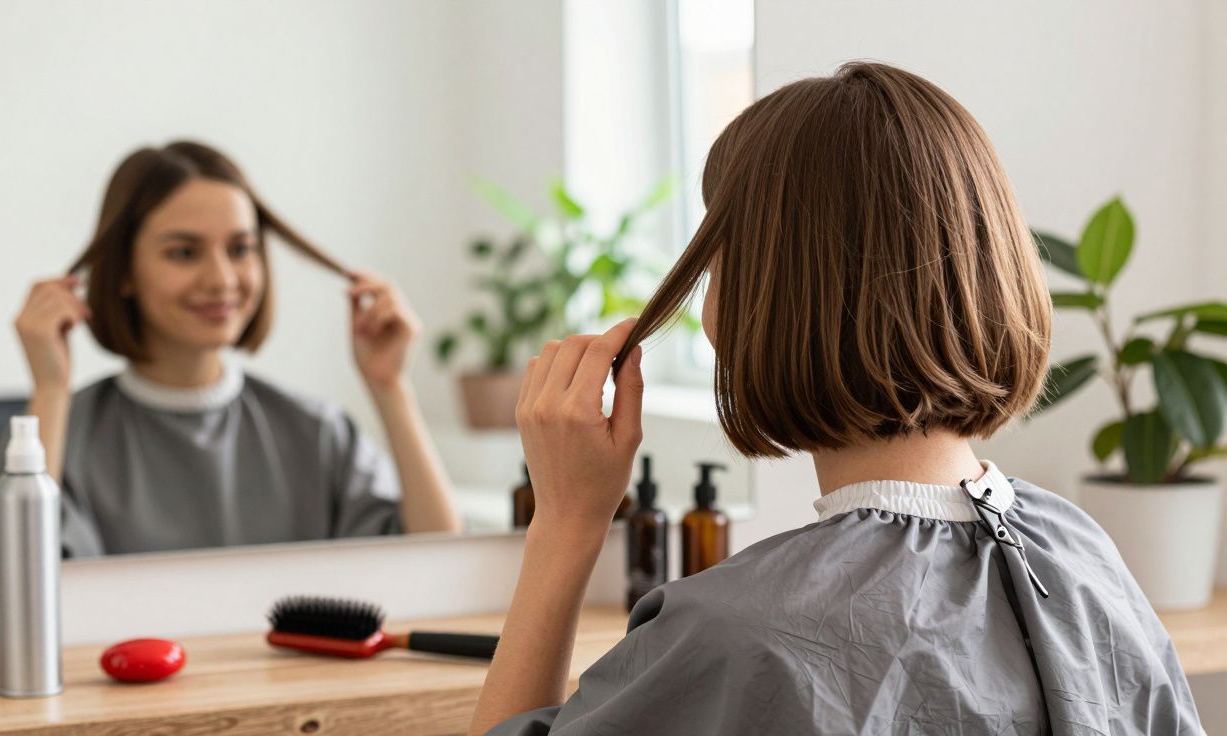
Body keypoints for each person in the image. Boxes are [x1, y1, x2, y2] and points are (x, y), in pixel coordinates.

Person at [470, 62, 1203, 734]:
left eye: (721, 265)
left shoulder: (734, 639)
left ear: (768, 296)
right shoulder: (1083, 555)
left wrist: (565, 521)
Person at [13, 141, 460, 557]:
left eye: (241, 248)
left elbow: (437, 564)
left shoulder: (318, 433)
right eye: (184, 253)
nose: (222, 279)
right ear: (124, 270)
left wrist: (391, 387)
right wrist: (49, 389)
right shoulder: (59, 439)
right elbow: (21, 589)